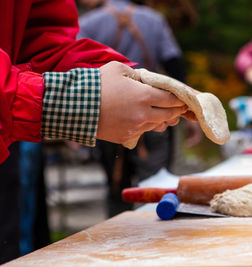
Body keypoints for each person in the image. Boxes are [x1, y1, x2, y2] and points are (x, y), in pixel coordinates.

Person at [0, 0, 192, 263]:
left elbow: (44, 47)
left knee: (116, 186)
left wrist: (131, 83)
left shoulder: (92, 21)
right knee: (154, 180)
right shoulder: (154, 20)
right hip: (121, 113)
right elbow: (173, 60)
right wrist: (73, 101)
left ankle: (122, 228)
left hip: (114, 113)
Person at [77, 0, 193, 217]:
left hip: (107, 119)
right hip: (155, 116)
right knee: (159, 187)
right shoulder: (154, 20)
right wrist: (189, 111)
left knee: (116, 190)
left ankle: (117, 243)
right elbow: (174, 65)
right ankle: (161, 239)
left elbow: (75, 72)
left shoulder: (88, 24)